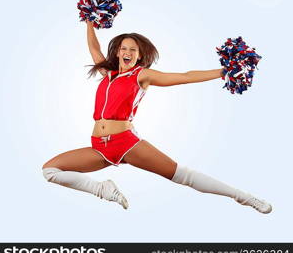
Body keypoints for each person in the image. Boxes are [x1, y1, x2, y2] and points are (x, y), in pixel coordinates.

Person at [42, 20, 272, 214]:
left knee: (182, 175)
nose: (127, 53)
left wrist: (223, 72)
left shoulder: (142, 75)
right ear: (117, 52)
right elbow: (93, 48)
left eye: (133, 50)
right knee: (50, 171)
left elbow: (184, 76)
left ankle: (245, 198)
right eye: (124, 48)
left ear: (140, 55)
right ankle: (104, 190)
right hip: (99, 147)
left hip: (125, 142)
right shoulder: (108, 73)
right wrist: (90, 21)